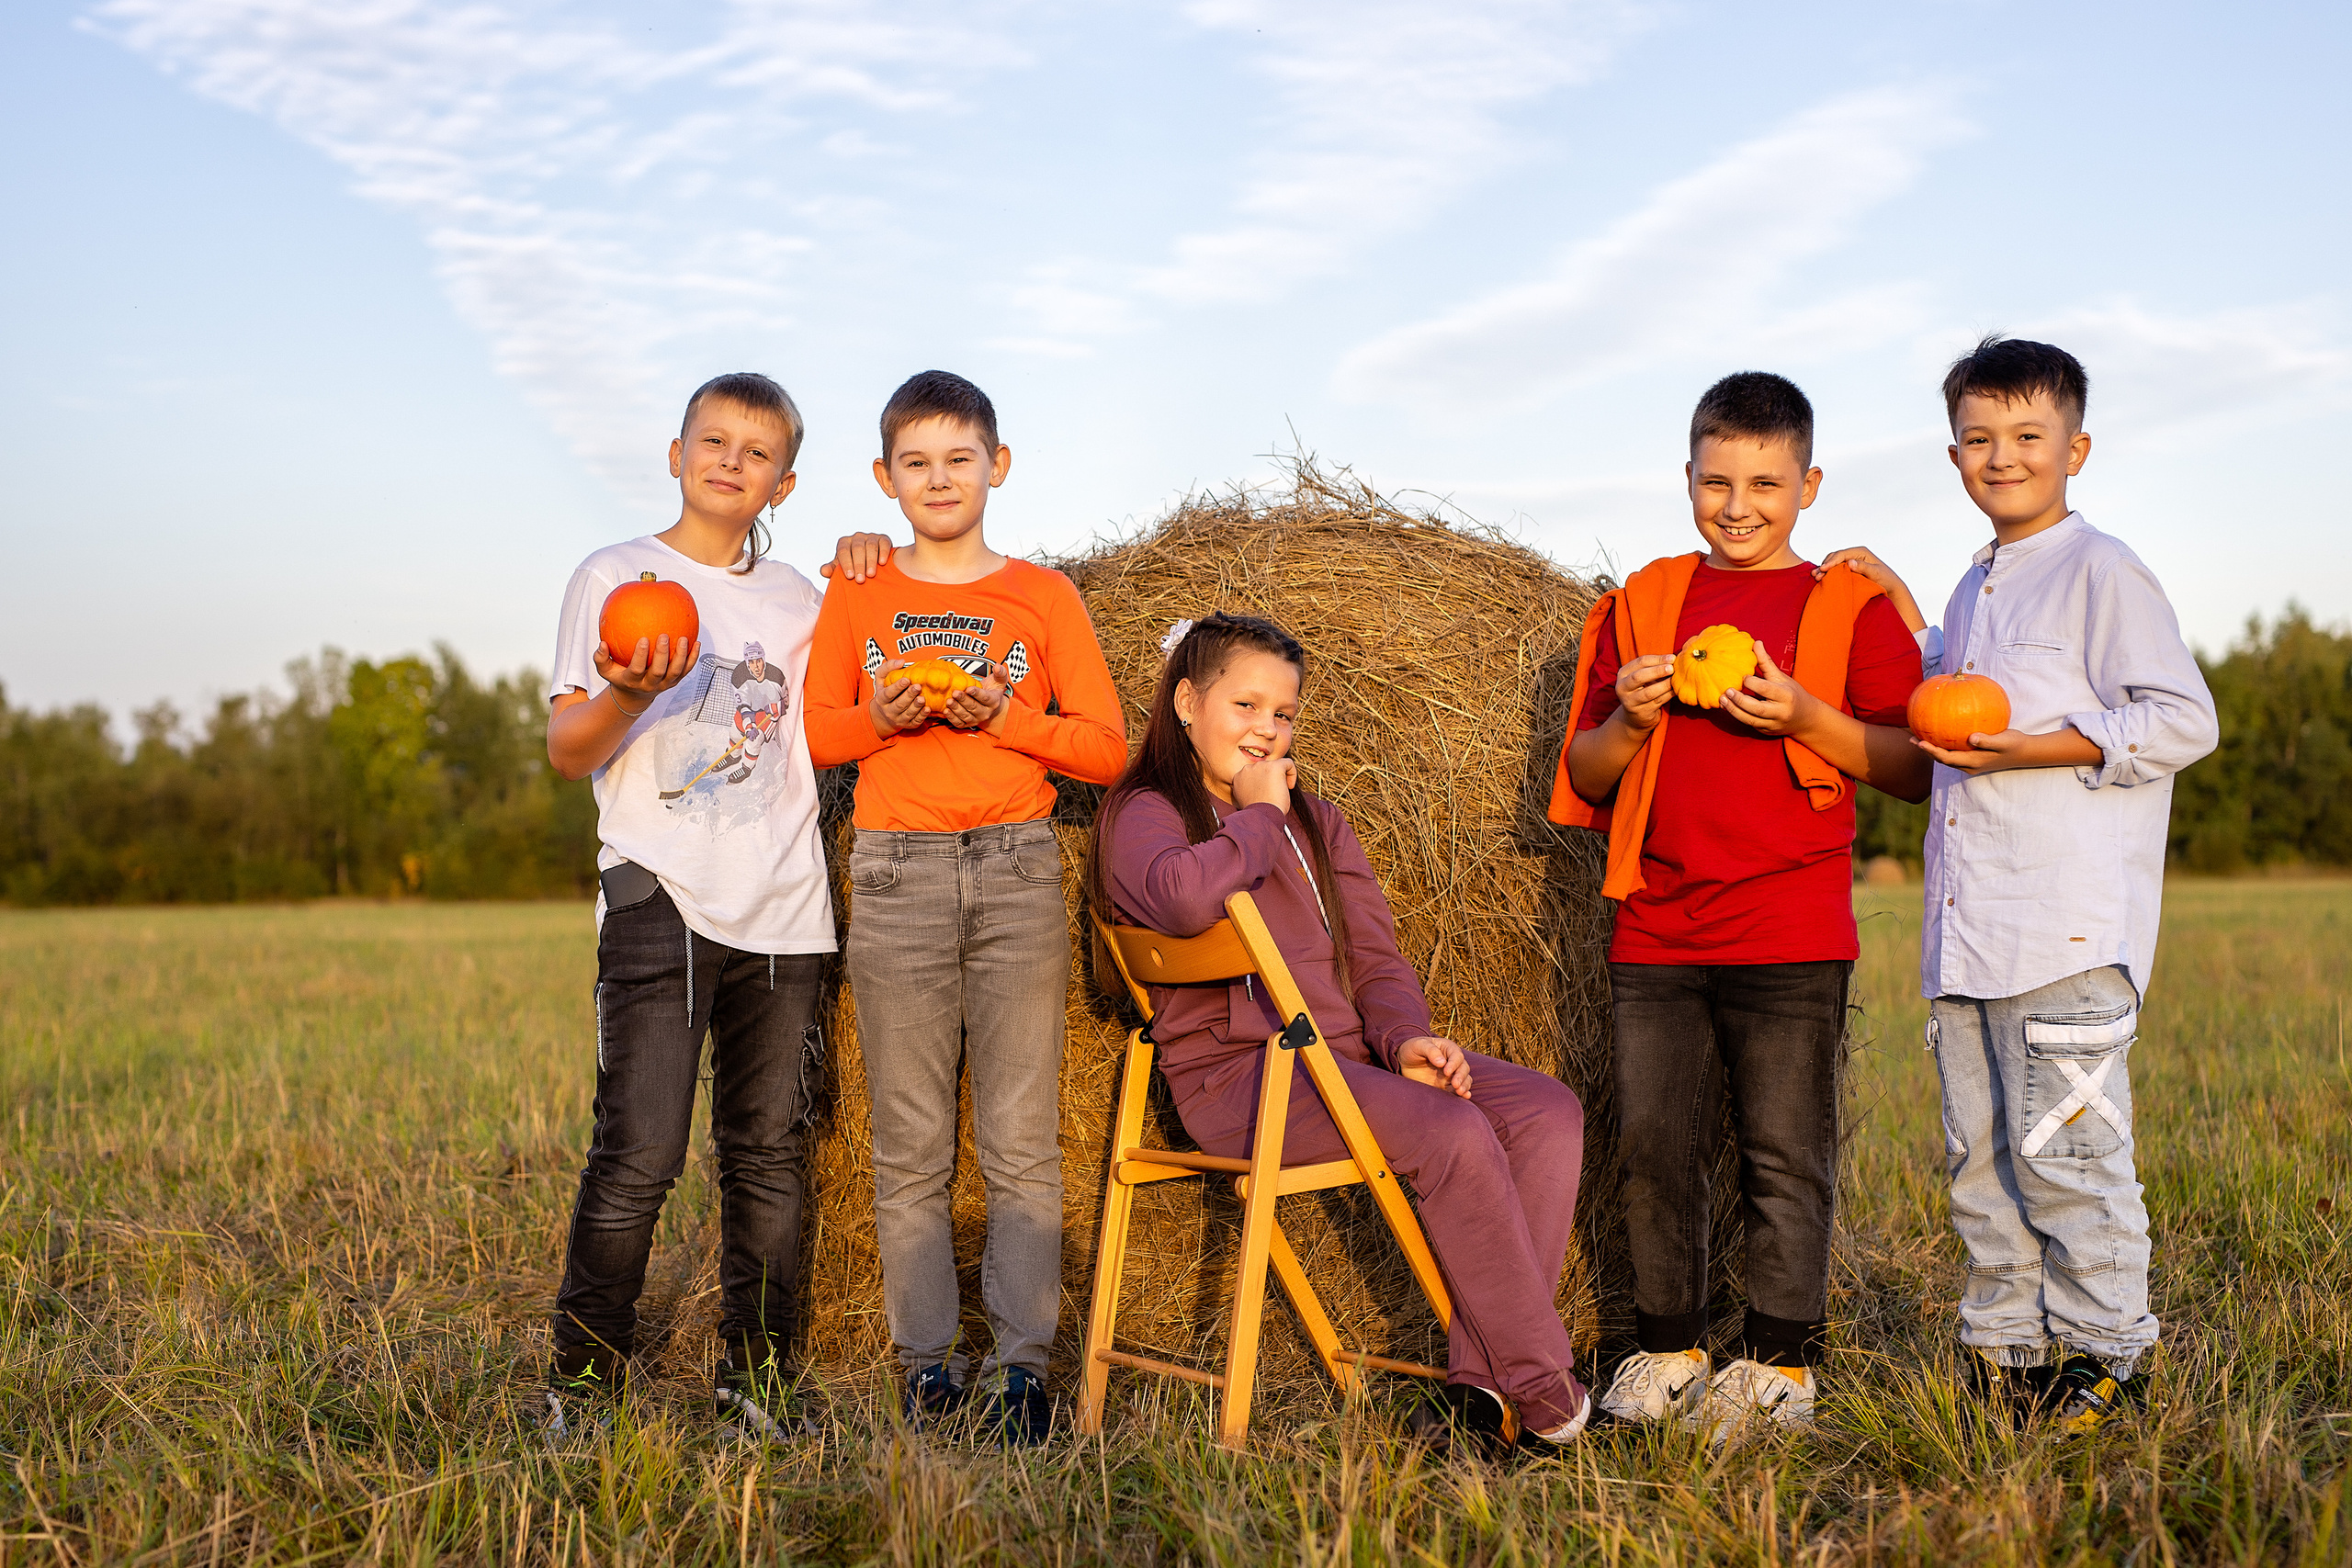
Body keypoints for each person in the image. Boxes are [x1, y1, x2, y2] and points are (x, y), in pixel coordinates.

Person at [1818, 337, 2217, 1435]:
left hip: (2067, 931)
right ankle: (2009, 1351)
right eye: (1980, 439)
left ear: (2074, 448)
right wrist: (1901, 602)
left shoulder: (2103, 570)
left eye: (2027, 437)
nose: (2003, 456)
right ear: (1953, 455)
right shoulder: (1974, 577)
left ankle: (2107, 1356)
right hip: (1968, 934)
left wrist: (2041, 749)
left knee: (2069, 1158)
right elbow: (1950, 684)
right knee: (1982, 1164)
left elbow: (2184, 718)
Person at [1091, 611, 1593, 1454]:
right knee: (1455, 1133)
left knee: (1546, 1111)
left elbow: (1377, 958)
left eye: (1283, 714)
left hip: (1347, 1064)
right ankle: (1544, 1387)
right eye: (1245, 704)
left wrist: (1404, 1042)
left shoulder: (1320, 822)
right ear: (1186, 701)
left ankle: (1476, 1392)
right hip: (1244, 1083)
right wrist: (1257, 817)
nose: (1266, 728)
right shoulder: (1149, 810)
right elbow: (1179, 897)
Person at [1551, 371, 1930, 1442]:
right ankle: (1666, 1347)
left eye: (1765, 481)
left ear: (1807, 484)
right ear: (1686, 478)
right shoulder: (1642, 603)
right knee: (1655, 1146)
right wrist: (1628, 716)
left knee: (1781, 1150)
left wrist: (1805, 715)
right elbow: (1584, 772)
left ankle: (1779, 1361)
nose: (1738, 503)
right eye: (1716, 479)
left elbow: (1911, 765)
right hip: (1657, 923)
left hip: (1790, 926)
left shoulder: (1843, 606)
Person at [803, 370, 1126, 1444]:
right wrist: (881, 719)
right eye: (915, 463)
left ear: (997, 465)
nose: (938, 480)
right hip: (896, 871)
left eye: (958, 459)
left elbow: (1105, 747)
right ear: (885, 478)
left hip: (1018, 867)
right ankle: (928, 1368)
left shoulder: (1044, 598)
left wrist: (1017, 718)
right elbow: (814, 735)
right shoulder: (857, 592)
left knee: (1023, 1139)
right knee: (908, 1142)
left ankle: (1023, 1369)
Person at [541, 372, 843, 1442]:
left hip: (788, 906)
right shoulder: (614, 576)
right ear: (675, 454)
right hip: (660, 891)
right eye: (711, 440)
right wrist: (628, 691)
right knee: (641, 1151)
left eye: (755, 452)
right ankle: (582, 1382)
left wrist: (869, 565)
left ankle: (755, 1380)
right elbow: (567, 751)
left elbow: (844, 722)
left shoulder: (804, 605)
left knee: (767, 1154)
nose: (730, 460)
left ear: (784, 482)